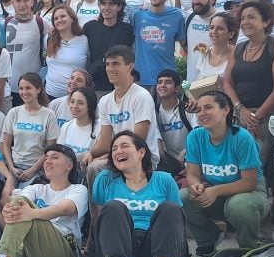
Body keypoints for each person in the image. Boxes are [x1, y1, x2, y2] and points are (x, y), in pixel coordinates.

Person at [91, 131, 191, 257]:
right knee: (113, 207)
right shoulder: (105, 179)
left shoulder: (164, 180)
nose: (117, 151)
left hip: (155, 256)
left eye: (124, 146)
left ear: (141, 152)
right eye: (114, 148)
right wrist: (91, 247)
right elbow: (97, 216)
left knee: (170, 208)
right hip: (117, 255)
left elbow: (176, 224)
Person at [182, 91, 271, 253]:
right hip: (217, 194)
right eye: (200, 109)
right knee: (183, 197)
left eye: (208, 107)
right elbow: (193, 174)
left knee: (239, 205)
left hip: (250, 193)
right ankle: (208, 238)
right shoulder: (195, 137)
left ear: (226, 110)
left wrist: (215, 190)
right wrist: (196, 186)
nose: (203, 113)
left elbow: (249, 182)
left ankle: (249, 248)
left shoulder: (242, 137)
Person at [222, 1, 274, 168]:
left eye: (251, 17)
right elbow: (227, 83)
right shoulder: (238, 48)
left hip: (267, 115)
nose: (245, 22)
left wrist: (256, 117)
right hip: (240, 114)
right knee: (234, 160)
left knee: (252, 162)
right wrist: (240, 110)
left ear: (266, 21)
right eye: (243, 18)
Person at [83, 45, 159, 178]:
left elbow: (138, 140)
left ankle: (96, 200)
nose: (110, 69)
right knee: (72, 158)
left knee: (96, 167)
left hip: (140, 158)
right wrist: (90, 153)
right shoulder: (105, 101)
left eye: (116, 64)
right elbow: (104, 141)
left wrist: (104, 157)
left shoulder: (141, 96)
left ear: (130, 67)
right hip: (118, 154)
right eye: (107, 64)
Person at [1, 73, 59, 188]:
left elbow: (49, 149)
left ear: (38, 89)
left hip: (37, 170)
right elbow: (6, 145)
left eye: (28, 88)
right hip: (14, 168)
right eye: (21, 88)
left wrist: (32, 170)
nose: (24, 92)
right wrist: (11, 167)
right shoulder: (14, 112)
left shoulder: (49, 115)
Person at [132, 0, 185, 89]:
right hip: (141, 80)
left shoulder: (177, 15)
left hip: (166, 81)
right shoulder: (139, 15)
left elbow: (185, 46)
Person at [83, 0, 136, 91]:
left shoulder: (127, 30)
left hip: (119, 87)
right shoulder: (89, 27)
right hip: (95, 86)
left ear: (119, 7)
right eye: (103, 3)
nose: (106, 7)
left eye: (111, 4)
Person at [2, 0, 46, 104]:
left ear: (32, 2)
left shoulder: (41, 22)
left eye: (26, 0)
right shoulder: (6, 23)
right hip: (10, 86)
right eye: (18, 0)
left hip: (33, 86)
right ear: (12, 3)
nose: (22, 5)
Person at [43, 7, 89, 100]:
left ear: (72, 18)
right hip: (50, 95)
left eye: (63, 16)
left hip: (75, 97)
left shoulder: (84, 40)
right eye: (56, 18)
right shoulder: (48, 39)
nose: (59, 20)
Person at [153, 69, 190, 175]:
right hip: (168, 162)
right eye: (160, 82)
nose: (162, 85)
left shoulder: (187, 109)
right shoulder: (154, 112)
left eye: (168, 82)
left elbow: (198, 132)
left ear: (177, 88)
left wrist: (183, 155)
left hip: (190, 156)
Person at [189, 12, 238, 81]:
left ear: (231, 34)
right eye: (211, 27)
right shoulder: (205, 53)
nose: (214, 31)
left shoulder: (237, 56)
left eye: (220, 28)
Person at [57, 87, 98, 161]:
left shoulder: (100, 128)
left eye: (80, 103)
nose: (74, 106)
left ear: (90, 106)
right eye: (72, 102)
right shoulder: (66, 126)